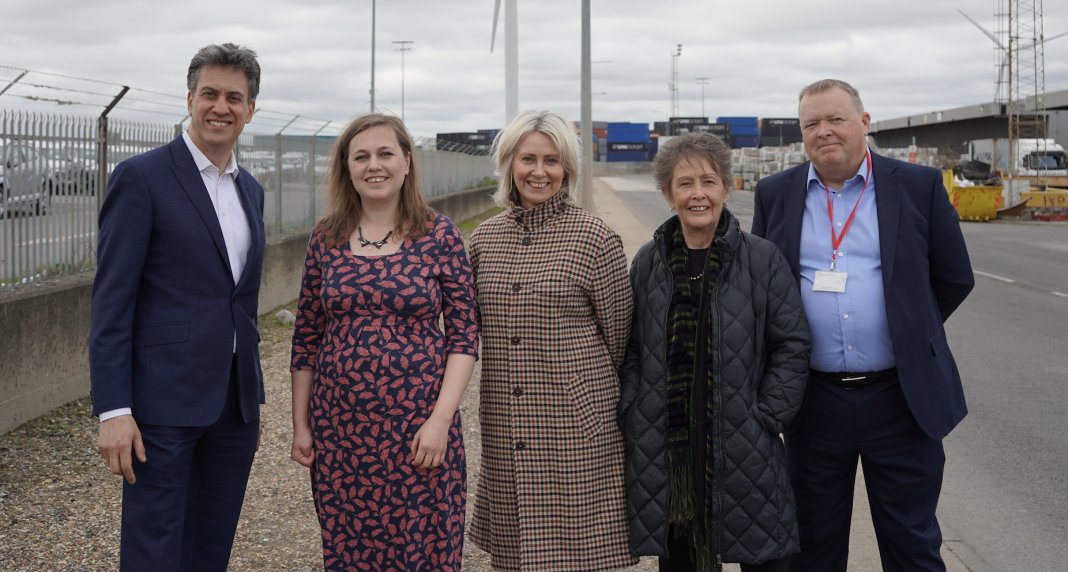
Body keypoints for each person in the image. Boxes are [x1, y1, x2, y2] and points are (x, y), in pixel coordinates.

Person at [751, 79, 975, 571]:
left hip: (901, 399)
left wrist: (909, 330)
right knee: (811, 545)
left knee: (912, 544)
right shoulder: (775, 193)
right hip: (813, 402)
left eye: (835, 119)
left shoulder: (917, 186)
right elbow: (762, 288)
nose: (823, 132)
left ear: (864, 122)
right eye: (812, 124)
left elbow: (955, 277)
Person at [89, 43, 265, 571]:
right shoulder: (142, 178)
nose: (221, 106)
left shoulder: (251, 190)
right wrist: (114, 409)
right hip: (161, 407)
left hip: (233, 408)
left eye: (235, 97)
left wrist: (252, 397)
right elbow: (111, 304)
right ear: (189, 98)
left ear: (250, 109)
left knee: (210, 548)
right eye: (209, 93)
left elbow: (240, 302)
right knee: (154, 550)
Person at [289, 113, 479, 571]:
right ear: (347, 167)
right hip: (341, 433)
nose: (374, 165)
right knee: (350, 551)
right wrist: (301, 425)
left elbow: (464, 335)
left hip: (418, 430)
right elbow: (305, 338)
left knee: (422, 550)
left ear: (408, 162)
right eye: (361, 156)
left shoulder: (439, 235)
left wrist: (440, 421)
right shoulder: (326, 237)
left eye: (385, 153)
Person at [619, 132, 811, 572]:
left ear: (726, 188)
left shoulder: (762, 259)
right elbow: (630, 347)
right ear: (668, 196)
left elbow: (792, 344)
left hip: (745, 444)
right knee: (682, 561)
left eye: (708, 181)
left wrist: (769, 415)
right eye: (684, 184)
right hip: (670, 453)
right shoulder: (649, 262)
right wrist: (633, 407)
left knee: (764, 559)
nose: (698, 194)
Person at [468, 110, 636, 570]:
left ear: (567, 170)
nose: (539, 172)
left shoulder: (595, 237)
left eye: (552, 161)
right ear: (509, 164)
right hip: (507, 424)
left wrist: (583, 393)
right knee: (516, 553)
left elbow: (621, 337)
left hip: (576, 427)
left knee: (576, 554)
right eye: (528, 159)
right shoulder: (484, 239)